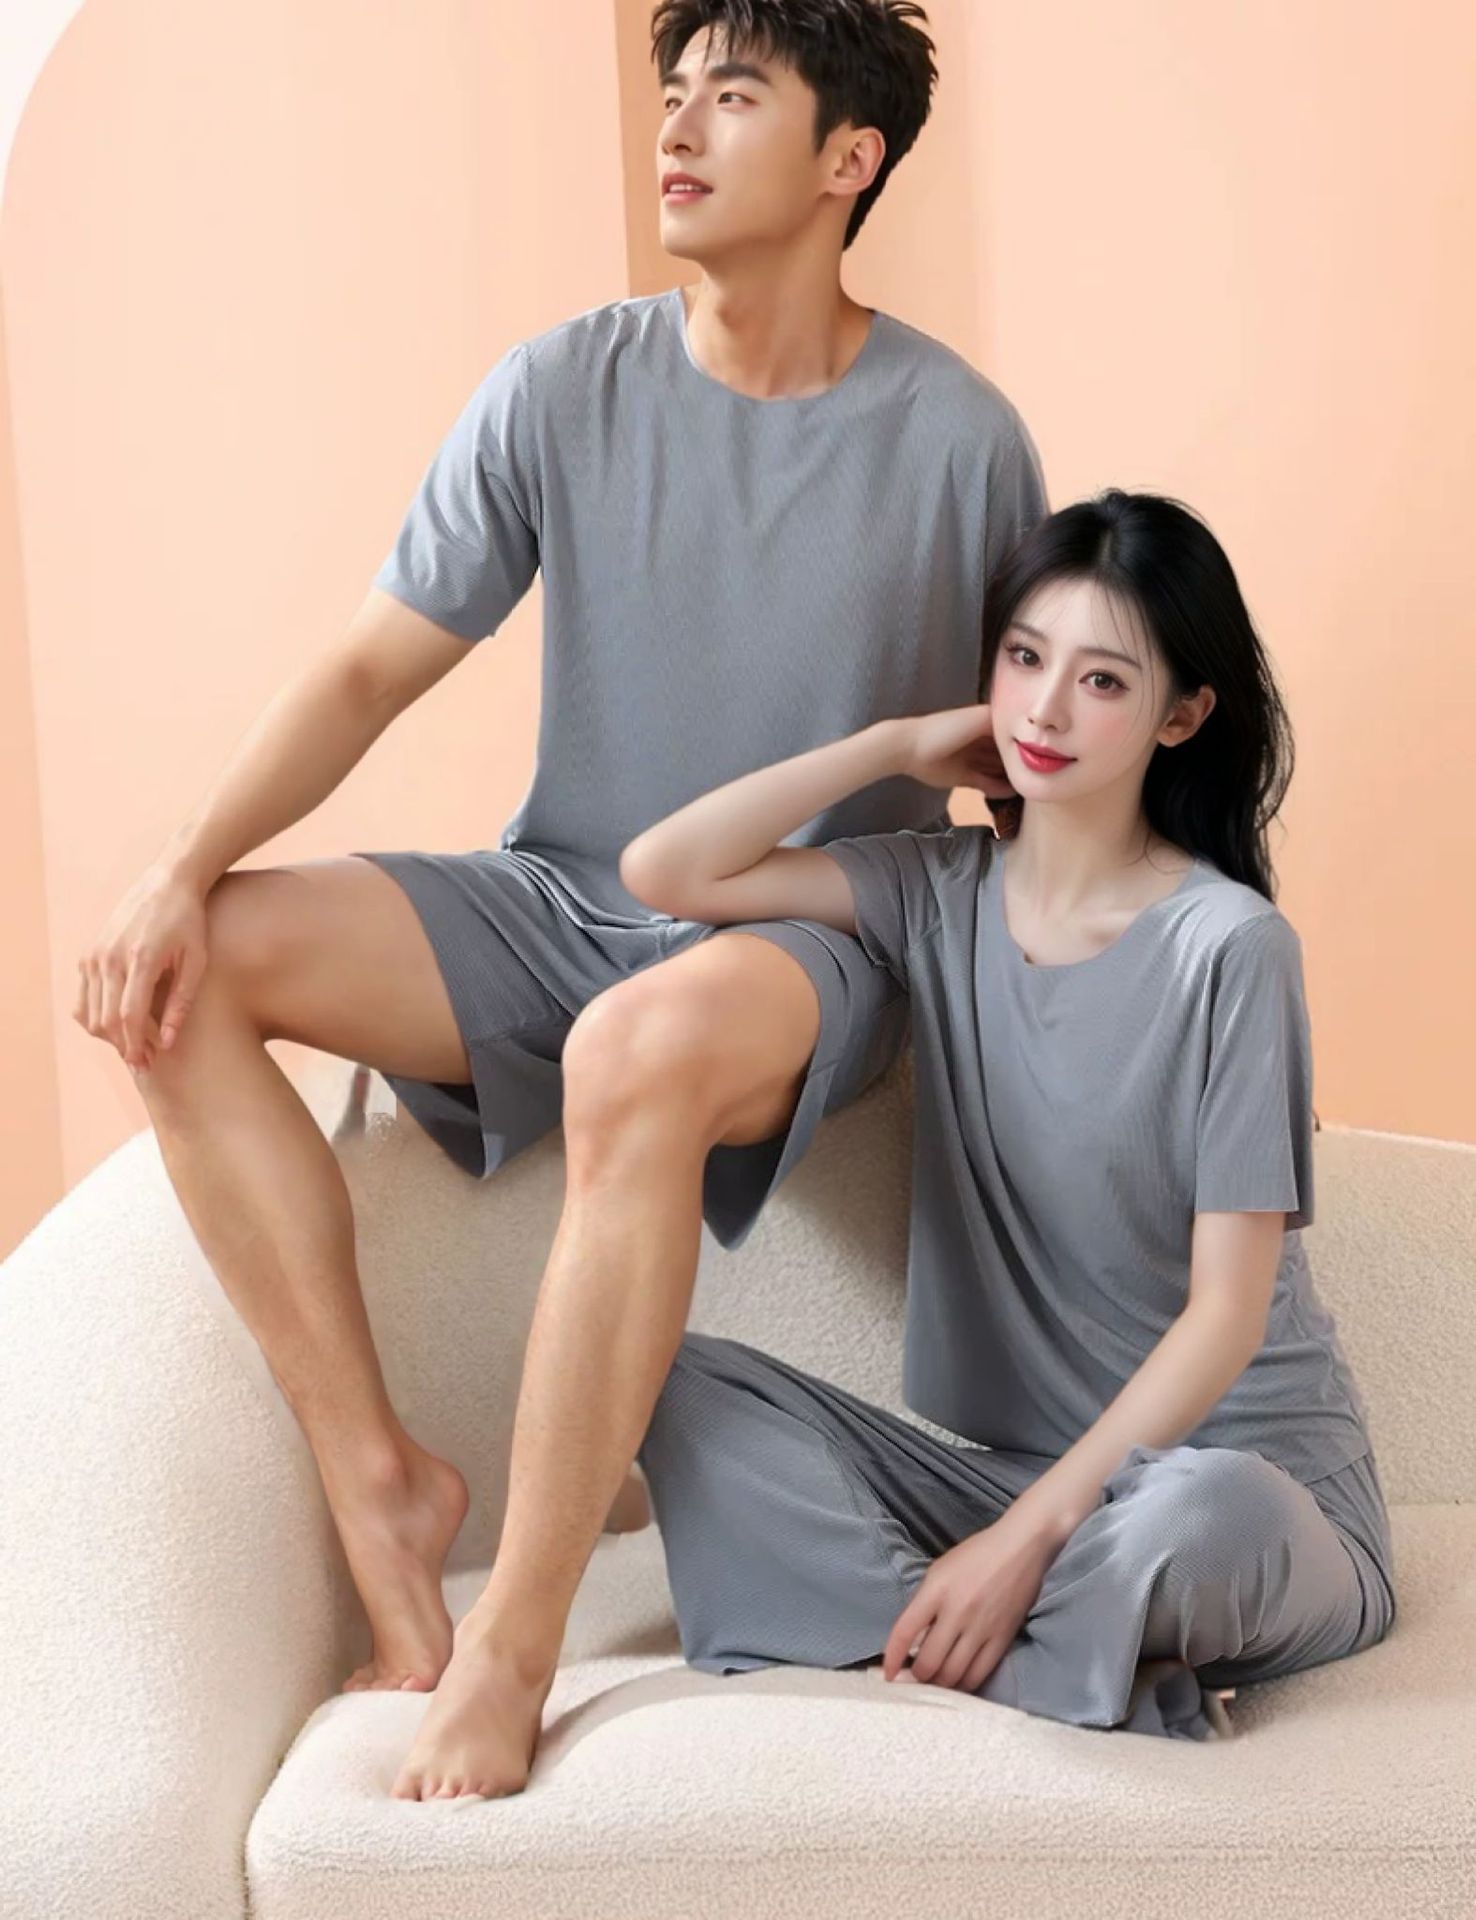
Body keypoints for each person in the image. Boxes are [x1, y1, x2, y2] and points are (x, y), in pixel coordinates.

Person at [73, 2, 1048, 1798]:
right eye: (672, 91)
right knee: (195, 967)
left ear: (850, 159)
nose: (675, 128)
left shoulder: (962, 439)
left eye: (733, 95)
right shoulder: (559, 388)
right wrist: (177, 869)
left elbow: (1038, 754)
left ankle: (513, 1646)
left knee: (641, 1042)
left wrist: (1141, 988)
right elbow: (368, 670)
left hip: (806, 934)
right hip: (561, 896)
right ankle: (381, 1477)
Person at [621, 487, 1398, 1742]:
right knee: (657, 1378)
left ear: (1183, 716)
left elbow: (1227, 1315)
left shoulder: (1232, 949)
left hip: (1240, 1492)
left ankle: (939, 1623)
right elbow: (667, 869)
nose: (1044, 710)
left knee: (1205, 1515)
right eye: (1026, 659)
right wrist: (891, 745)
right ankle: (1050, 1662)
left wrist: (1024, 1542)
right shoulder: (936, 892)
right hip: (1013, 1485)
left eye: (1103, 681)